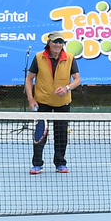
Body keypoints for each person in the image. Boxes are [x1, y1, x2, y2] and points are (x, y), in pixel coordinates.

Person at [25, 31, 79, 174]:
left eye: (60, 42)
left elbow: (77, 80)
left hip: (63, 102)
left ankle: (60, 163)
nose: (58, 44)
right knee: (40, 134)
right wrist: (31, 99)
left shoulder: (70, 58)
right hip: (43, 102)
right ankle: (37, 164)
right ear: (49, 43)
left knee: (61, 134)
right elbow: (29, 79)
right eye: (55, 41)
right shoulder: (38, 57)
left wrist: (67, 88)